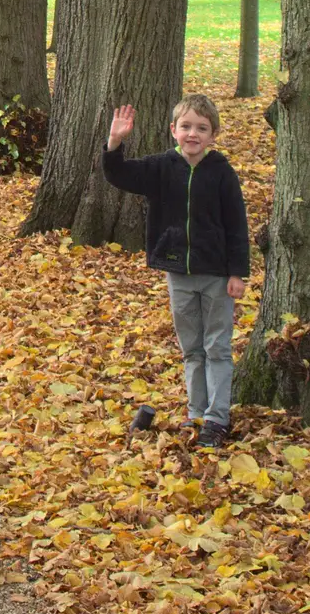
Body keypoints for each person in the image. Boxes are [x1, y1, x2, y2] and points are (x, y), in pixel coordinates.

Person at [103, 94, 249, 448]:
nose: (192, 134)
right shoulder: (162, 167)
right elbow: (119, 173)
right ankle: (196, 412)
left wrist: (237, 272)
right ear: (173, 130)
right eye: (186, 127)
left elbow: (236, 224)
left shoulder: (221, 172)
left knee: (217, 347)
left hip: (216, 275)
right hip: (178, 276)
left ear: (213, 134)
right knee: (192, 349)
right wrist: (115, 142)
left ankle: (217, 417)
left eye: (201, 128)